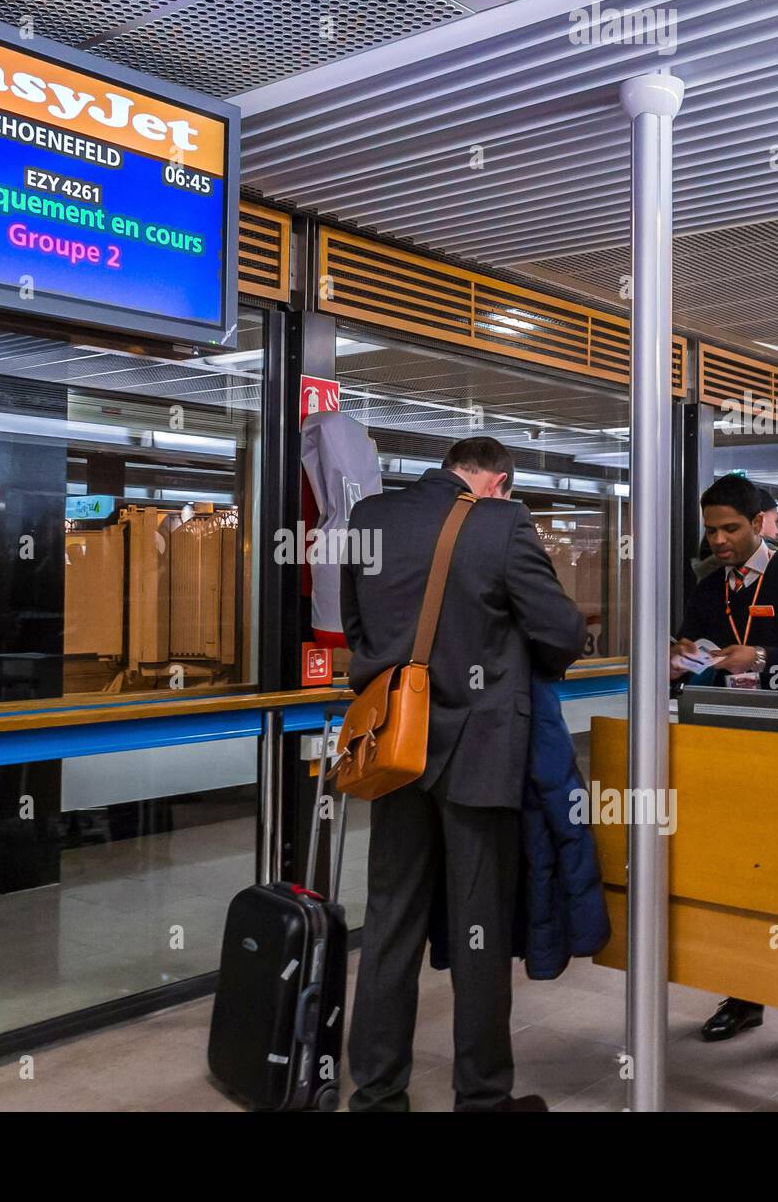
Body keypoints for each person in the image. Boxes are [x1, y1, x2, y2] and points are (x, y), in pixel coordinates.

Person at [341, 436, 586, 1113]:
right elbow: (561, 632)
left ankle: (378, 1092)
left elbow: (358, 630)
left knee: (390, 921)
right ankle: (480, 1096)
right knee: (480, 929)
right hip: (478, 754)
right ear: (497, 482)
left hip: (395, 746)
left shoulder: (370, 519)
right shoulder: (503, 523)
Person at [671, 474, 778, 1065]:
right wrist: (680, 658)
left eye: (730, 529)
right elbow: (698, 642)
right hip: (725, 745)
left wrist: (765, 655)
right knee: (734, 878)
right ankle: (743, 994)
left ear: (758, 524)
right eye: (711, 529)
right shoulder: (709, 586)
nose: (719, 540)